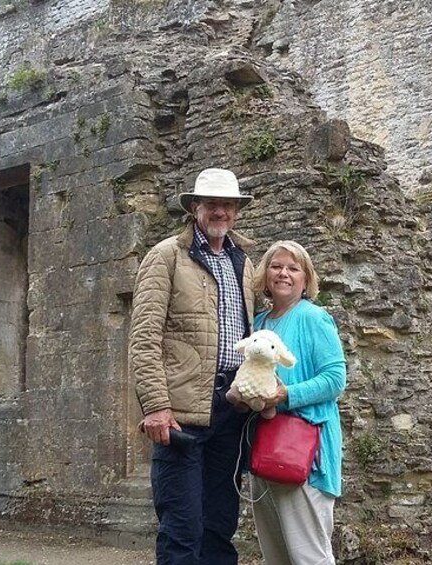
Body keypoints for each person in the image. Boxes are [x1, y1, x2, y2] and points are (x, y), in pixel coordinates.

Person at [130, 167, 255, 565]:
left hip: (231, 410)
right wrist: (155, 406)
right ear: (195, 207)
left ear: (237, 211)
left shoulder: (245, 262)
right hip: (180, 416)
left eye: (228, 205)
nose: (221, 211)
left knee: (220, 527)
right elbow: (144, 337)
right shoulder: (166, 255)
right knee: (182, 530)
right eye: (212, 204)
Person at [249, 240, 347, 564]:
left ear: (306, 279)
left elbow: (335, 380)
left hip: (305, 453)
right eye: (276, 266)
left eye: (293, 268)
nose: (284, 274)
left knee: (309, 557)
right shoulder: (259, 323)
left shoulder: (314, 318)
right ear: (265, 275)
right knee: (276, 557)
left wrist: (286, 395)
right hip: (264, 449)